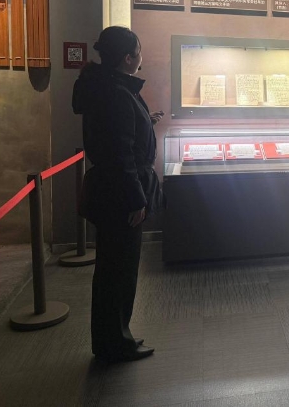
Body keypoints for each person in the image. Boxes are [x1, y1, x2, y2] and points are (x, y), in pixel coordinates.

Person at [72, 26, 165, 363]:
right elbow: (120, 155)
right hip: (120, 195)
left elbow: (120, 137)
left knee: (113, 270)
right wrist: (136, 199)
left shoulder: (108, 87)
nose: (141, 57)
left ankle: (113, 337)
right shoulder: (115, 93)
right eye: (138, 52)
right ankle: (114, 343)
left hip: (113, 191)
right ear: (127, 58)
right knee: (118, 272)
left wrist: (145, 122)